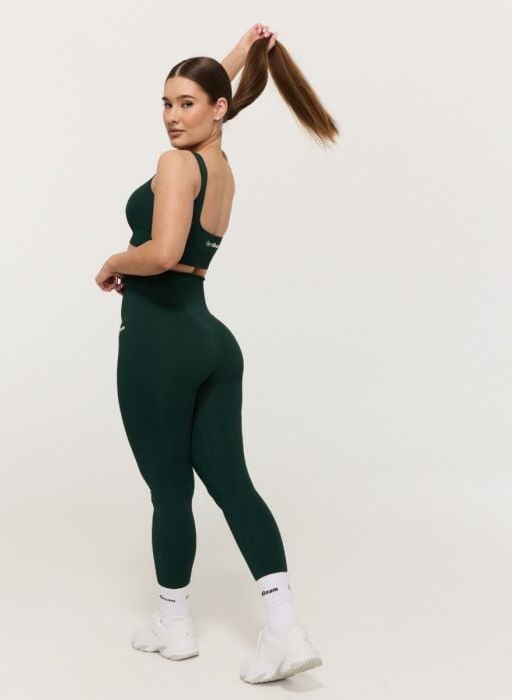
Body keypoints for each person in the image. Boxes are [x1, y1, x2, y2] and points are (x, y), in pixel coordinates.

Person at [95, 23, 339, 684]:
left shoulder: (177, 165)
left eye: (186, 104)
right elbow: (213, 96)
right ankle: (285, 630)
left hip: (160, 343)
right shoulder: (221, 169)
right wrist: (241, 51)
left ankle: (173, 624)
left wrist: (114, 260)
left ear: (218, 108)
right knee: (234, 486)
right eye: (166, 103)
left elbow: (162, 253)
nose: (173, 117)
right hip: (210, 341)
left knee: (170, 491)